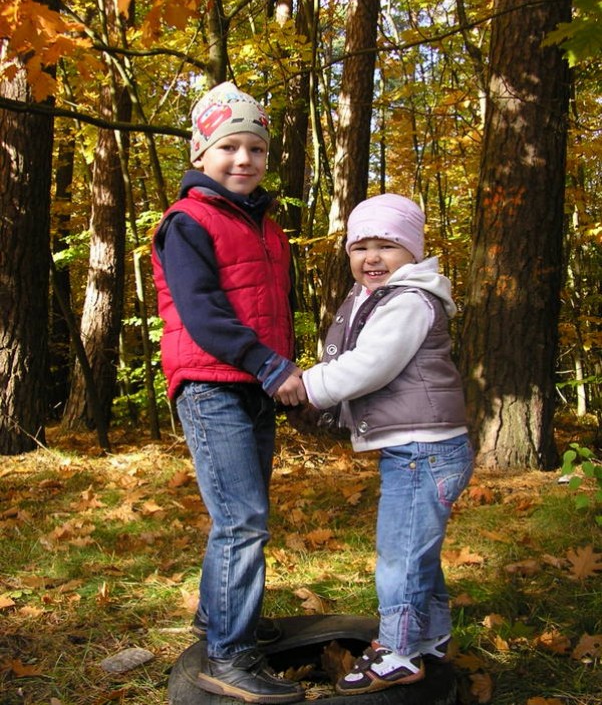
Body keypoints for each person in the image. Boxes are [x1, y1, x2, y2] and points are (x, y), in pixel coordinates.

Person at [152, 81, 306, 704]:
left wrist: (281, 370)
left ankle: (221, 616)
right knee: (241, 520)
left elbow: (277, 309)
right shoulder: (187, 222)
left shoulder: (268, 227)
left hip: (254, 386)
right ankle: (230, 652)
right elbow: (203, 314)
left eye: (256, 149)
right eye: (229, 147)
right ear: (201, 151)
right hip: (212, 385)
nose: (244, 160)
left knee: (245, 514)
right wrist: (269, 365)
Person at [292, 193, 474, 695]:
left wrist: (310, 385)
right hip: (420, 448)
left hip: (425, 451)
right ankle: (432, 638)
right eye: (360, 247)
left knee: (400, 554)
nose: (371, 258)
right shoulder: (381, 298)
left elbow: (373, 364)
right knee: (420, 552)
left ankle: (397, 652)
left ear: (412, 252)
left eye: (386, 246)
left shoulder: (409, 301)